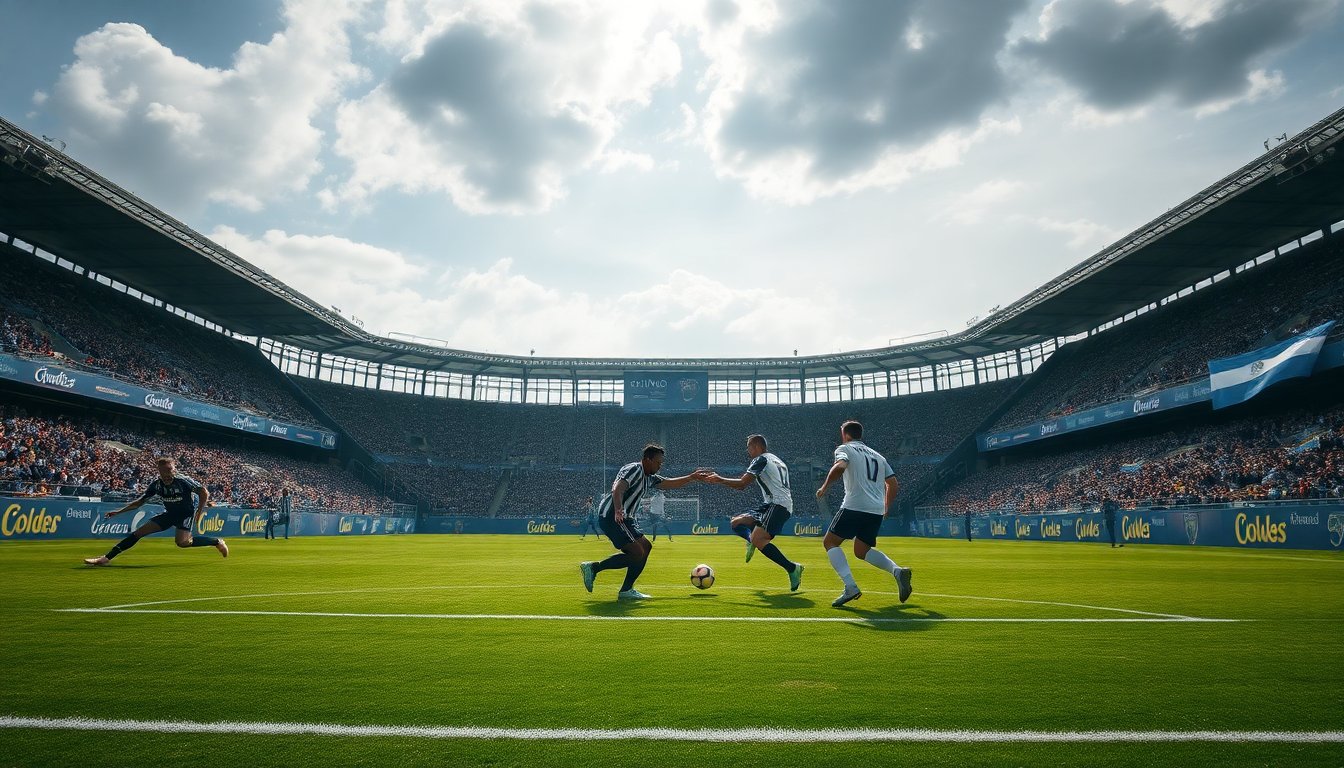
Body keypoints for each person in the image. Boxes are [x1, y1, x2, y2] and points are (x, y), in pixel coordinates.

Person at [579, 444, 708, 599]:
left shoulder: (649, 478)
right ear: (647, 460)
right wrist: (619, 509)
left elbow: (669, 483)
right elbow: (618, 488)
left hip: (627, 518)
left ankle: (626, 590)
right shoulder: (634, 469)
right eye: (658, 462)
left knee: (646, 547)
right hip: (613, 515)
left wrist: (692, 477)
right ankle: (594, 568)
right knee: (637, 553)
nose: (660, 466)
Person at [815, 420, 911, 608]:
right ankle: (897, 571)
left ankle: (850, 587)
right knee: (861, 551)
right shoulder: (878, 456)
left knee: (830, 542)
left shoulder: (844, 448)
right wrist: (886, 507)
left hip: (854, 505)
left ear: (845, 434)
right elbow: (893, 484)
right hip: (875, 510)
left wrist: (824, 487)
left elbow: (840, 466)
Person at [83, 456, 228, 566]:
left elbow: (204, 492)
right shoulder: (157, 485)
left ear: (174, 469)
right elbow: (139, 502)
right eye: (164, 472)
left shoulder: (183, 481)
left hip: (185, 514)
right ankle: (106, 558)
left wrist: (199, 511)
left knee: (183, 542)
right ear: (159, 471)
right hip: (170, 514)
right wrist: (118, 512)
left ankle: (217, 541)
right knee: (138, 533)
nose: (167, 475)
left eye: (170, 471)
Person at [705, 434, 803, 591]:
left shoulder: (760, 459)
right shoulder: (776, 459)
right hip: (771, 504)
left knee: (759, 540)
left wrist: (719, 479)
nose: (747, 450)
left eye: (749, 447)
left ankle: (792, 568)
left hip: (778, 506)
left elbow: (742, 484)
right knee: (736, 523)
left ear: (757, 446)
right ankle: (751, 540)